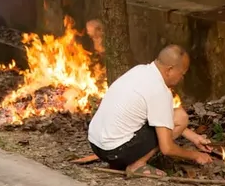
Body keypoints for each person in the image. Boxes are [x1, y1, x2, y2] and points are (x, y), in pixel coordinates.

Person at [88, 45, 213, 177]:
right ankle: (137, 165)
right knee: (181, 117)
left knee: (173, 118)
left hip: (96, 145)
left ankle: (120, 161)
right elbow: (167, 148)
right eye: (182, 74)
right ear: (169, 70)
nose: (181, 79)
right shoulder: (160, 90)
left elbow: (160, 117)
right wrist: (196, 155)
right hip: (115, 151)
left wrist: (194, 138)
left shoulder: (140, 70)